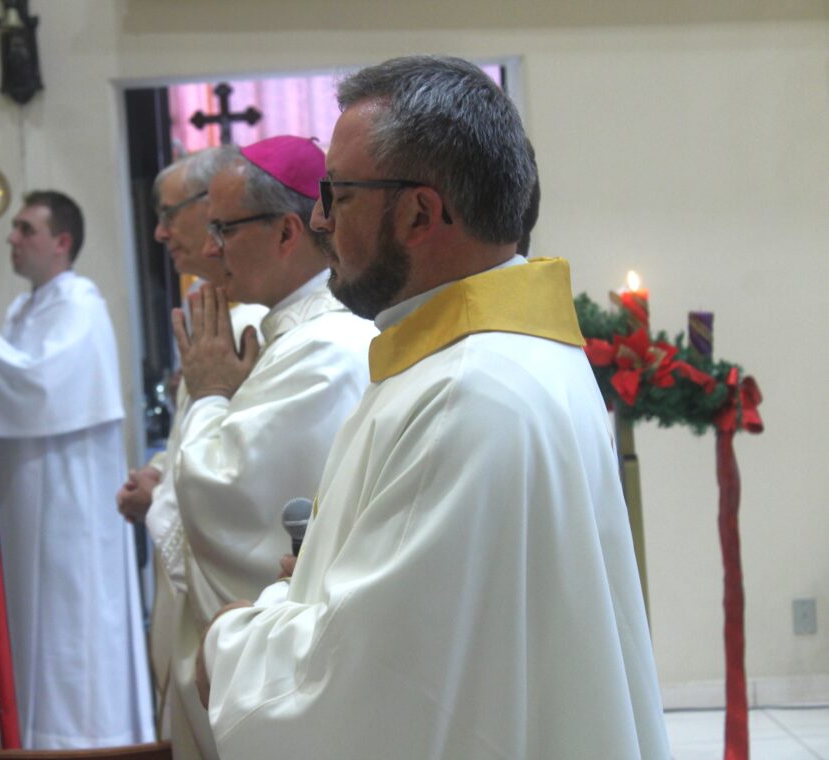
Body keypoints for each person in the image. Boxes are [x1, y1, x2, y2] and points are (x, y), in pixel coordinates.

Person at [199, 56, 671, 759]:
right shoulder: (507, 353)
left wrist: (238, 638)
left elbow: (366, 695)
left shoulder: (462, 392)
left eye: (339, 194)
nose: (321, 219)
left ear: (420, 212)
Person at [168, 135, 378, 759]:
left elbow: (227, 498)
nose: (211, 251)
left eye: (224, 230)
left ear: (288, 233)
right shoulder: (289, 333)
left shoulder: (326, 349)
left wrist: (207, 394)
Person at [0, 191, 153, 749]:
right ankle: (32, 739)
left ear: (61, 243)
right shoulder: (21, 310)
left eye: (25, 230)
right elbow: (9, 388)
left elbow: (35, 387)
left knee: (70, 625)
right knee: (30, 627)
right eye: (13, 229)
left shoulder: (81, 305)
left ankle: (84, 742)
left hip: (70, 502)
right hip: (24, 496)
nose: (12, 239)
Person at [116, 148, 268, 737]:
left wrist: (160, 499)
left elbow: (242, 475)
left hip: (229, 614)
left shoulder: (254, 320)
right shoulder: (214, 305)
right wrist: (159, 472)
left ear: (212, 210)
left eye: (169, 213)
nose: (160, 231)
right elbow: (196, 435)